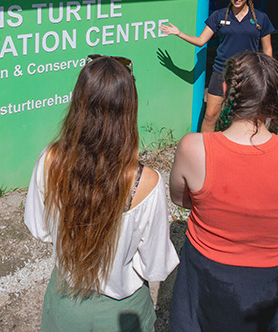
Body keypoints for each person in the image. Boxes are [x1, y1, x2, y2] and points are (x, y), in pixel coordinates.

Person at [24, 55, 179, 332]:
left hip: (65, 301)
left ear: (78, 102)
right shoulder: (146, 182)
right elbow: (155, 266)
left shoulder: (50, 161)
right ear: (129, 108)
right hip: (123, 310)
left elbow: (40, 229)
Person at [168, 51, 278, 332]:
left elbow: (181, 199)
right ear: (277, 99)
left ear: (225, 90)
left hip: (206, 279)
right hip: (273, 283)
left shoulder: (194, 147)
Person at [161, 0, 274, 132]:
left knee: (249, 115)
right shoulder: (219, 16)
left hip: (248, 72)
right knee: (210, 115)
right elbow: (201, 41)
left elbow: (267, 50)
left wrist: (267, 73)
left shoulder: (261, 18)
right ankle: (205, 145)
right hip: (222, 71)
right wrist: (179, 33)